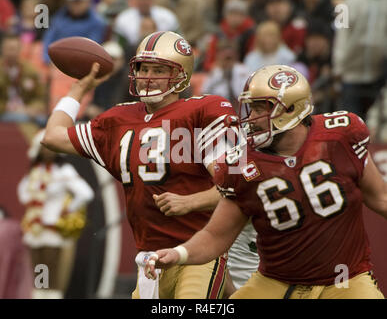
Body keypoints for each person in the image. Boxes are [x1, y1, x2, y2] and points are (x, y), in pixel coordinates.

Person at [145, 65, 387, 299]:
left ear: (292, 109)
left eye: (261, 108)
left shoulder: (342, 135)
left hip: (347, 279)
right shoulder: (241, 163)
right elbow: (215, 236)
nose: (252, 118)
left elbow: (380, 198)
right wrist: (178, 254)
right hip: (277, 282)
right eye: (251, 108)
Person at [41, 31, 238, 299]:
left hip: (196, 250)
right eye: (144, 68)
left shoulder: (202, 112)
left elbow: (237, 187)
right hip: (149, 258)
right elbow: (53, 136)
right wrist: (79, 89)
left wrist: (191, 202)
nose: (148, 76)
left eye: (159, 69)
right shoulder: (118, 119)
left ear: (181, 76)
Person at [18, 129, 94, 299]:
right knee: (39, 266)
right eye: (44, 148)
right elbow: (23, 193)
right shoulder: (35, 171)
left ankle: (52, 295)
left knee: (51, 265)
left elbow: (86, 193)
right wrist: (34, 199)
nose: (47, 152)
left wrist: (68, 209)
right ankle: (40, 295)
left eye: (50, 148)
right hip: (35, 226)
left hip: (54, 226)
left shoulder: (64, 171)